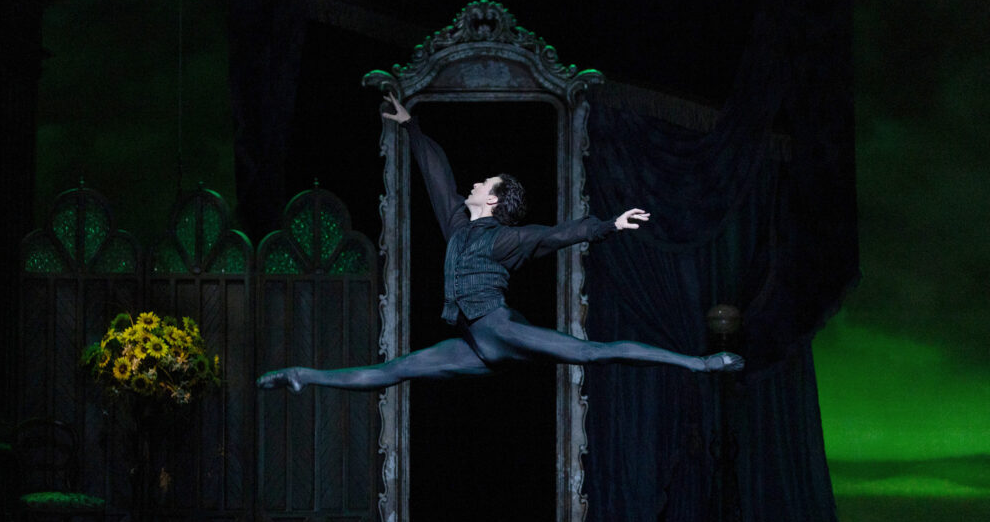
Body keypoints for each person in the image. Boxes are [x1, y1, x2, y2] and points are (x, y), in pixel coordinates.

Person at [257, 94, 743, 393]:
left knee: (594, 352)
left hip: (502, 328)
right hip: (474, 345)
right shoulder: (457, 226)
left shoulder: (507, 240)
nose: (472, 187)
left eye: (481, 185)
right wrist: (412, 127)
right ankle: (305, 374)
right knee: (396, 370)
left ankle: (699, 363)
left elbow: (557, 234)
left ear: (493, 201)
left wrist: (608, 224)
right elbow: (436, 173)